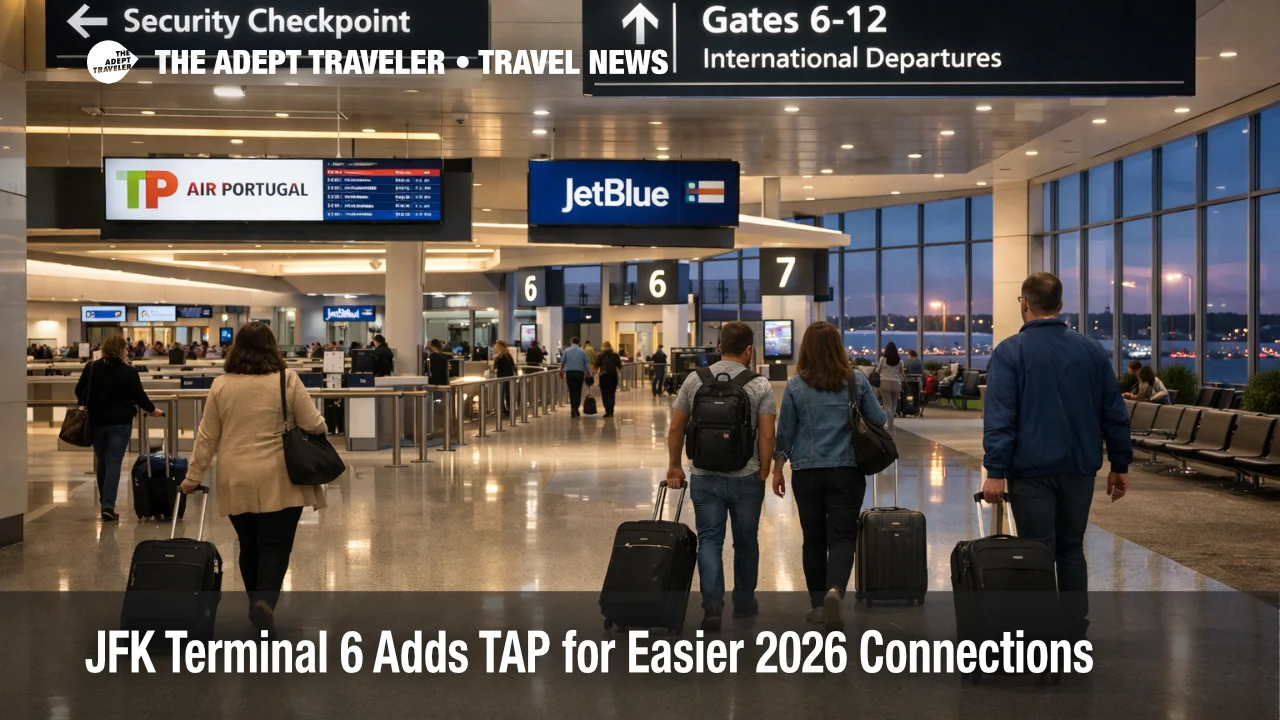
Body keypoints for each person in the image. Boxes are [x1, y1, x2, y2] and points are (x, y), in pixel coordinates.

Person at [982, 272, 1131, 642]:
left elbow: (1001, 417)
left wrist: (995, 470)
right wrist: (1120, 465)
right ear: (1061, 305)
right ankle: (1074, 629)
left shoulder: (1010, 351)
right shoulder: (1092, 351)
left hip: (1030, 470)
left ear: (1025, 304)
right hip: (1079, 468)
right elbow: (1114, 412)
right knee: (1070, 548)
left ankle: (1039, 633)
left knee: (1037, 551)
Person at [181, 322, 328, 636]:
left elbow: (207, 436)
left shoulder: (221, 385)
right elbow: (313, 423)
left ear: (237, 348)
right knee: (276, 544)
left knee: (249, 546)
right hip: (281, 476)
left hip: (236, 475)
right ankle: (264, 603)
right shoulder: (286, 380)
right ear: (272, 347)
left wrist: (193, 475)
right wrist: (321, 426)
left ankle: (256, 605)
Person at [771, 321, 886, 631]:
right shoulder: (856, 381)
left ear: (806, 349)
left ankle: (818, 606)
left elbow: (785, 434)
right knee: (842, 537)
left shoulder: (796, 386)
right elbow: (879, 419)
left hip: (806, 473)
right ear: (838, 347)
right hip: (847, 471)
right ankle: (836, 589)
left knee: (813, 539)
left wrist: (777, 470)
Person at [666, 321, 777, 631]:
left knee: (710, 540)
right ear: (749, 350)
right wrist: (764, 469)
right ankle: (743, 603)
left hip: (705, 474)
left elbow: (677, 427)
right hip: (746, 476)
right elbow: (768, 436)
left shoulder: (694, 380)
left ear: (719, 347)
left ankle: (712, 607)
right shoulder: (760, 385)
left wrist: (675, 465)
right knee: (745, 541)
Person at [75, 335, 164, 522]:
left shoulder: (92, 368)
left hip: (96, 422)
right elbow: (139, 396)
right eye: (125, 348)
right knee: (114, 461)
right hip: (120, 424)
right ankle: (108, 505)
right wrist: (153, 410)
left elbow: (79, 390)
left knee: (103, 462)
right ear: (121, 350)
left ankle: (105, 502)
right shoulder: (128, 371)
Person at [874, 342, 905, 429]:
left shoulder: (882, 359)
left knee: (887, 404)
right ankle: (891, 423)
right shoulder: (900, 361)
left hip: (884, 383)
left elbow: (877, 371)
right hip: (896, 384)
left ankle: (889, 424)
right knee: (894, 405)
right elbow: (902, 373)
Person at [560, 337, 591, 418]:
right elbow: (586, 363)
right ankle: (576, 408)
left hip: (570, 373)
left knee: (571, 391)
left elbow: (562, 362)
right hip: (579, 373)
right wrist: (589, 372)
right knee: (578, 391)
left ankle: (572, 408)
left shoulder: (566, 351)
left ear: (571, 342)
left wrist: (561, 370)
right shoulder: (582, 351)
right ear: (578, 342)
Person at [594, 341, 623, 418]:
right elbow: (619, 365)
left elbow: (596, 364)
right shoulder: (615, 355)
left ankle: (607, 410)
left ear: (603, 347)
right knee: (612, 393)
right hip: (613, 376)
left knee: (604, 394)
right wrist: (619, 371)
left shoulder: (600, 355)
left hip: (603, 376)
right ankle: (611, 410)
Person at [493, 340, 518, 414]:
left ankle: (502, 409)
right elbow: (513, 365)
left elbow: (496, 368)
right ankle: (509, 408)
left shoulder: (499, 356)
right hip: (509, 375)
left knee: (501, 393)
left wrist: (495, 369)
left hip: (501, 376)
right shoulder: (508, 354)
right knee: (507, 392)